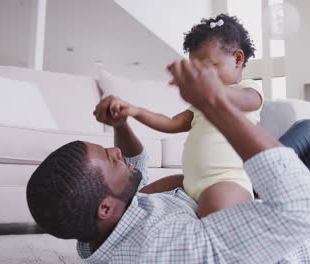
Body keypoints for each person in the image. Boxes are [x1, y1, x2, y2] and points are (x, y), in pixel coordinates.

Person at [26, 58, 310, 263]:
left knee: (309, 127)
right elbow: (304, 208)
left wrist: (121, 124)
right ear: (104, 208)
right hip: (307, 235)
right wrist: (216, 106)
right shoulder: (167, 246)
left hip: (243, 203)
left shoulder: (109, 226)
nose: (116, 151)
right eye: (109, 158)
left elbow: (136, 168)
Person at [108, 14, 263, 217]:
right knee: (140, 198)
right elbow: (171, 123)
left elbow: (247, 100)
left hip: (226, 182)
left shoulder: (246, 90)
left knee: (214, 217)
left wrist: (210, 89)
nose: (202, 77)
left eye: (209, 68)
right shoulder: (201, 104)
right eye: (196, 71)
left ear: (237, 58)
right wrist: (135, 111)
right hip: (190, 182)